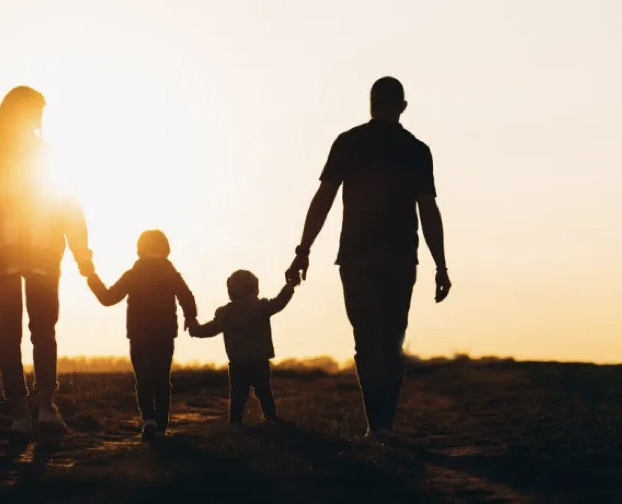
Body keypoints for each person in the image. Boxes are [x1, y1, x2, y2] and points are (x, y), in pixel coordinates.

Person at [284, 76, 452, 441]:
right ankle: (384, 424)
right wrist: (441, 265)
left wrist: (303, 251)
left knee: (366, 341)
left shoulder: (349, 142)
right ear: (403, 107)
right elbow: (428, 211)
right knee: (391, 341)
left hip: (357, 255)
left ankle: (375, 425)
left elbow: (323, 199)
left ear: (371, 103)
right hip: (401, 257)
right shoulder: (417, 150)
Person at [0, 86, 95, 435]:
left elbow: (67, 206)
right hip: (14, 250)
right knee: (22, 331)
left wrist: (82, 252)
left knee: (33, 330)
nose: (40, 119)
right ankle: (25, 412)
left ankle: (41, 408)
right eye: (37, 111)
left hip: (38, 251)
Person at [87, 230, 197, 440]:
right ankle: (161, 426)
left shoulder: (133, 274)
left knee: (144, 378)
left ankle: (149, 419)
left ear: (140, 249)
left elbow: (108, 298)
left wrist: (92, 279)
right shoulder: (171, 274)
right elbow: (187, 297)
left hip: (139, 333)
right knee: (163, 378)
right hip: (165, 333)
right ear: (165, 249)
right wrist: (190, 318)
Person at [189, 270, 297, 430]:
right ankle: (270, 419)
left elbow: (211, 329)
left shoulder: (226, 313)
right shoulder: (261, 307)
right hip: (260, 361)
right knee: (264, 393)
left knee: (238, 396)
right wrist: (290, 286)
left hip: (238, 363)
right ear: (255, 288)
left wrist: (195, 329)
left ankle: (235, 423)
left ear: (231, 291)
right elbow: (280, 302)